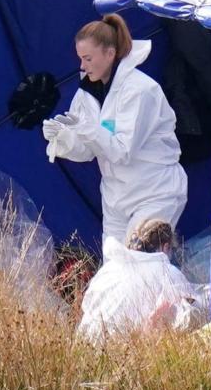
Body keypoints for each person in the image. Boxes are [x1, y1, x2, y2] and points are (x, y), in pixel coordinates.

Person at [42, 14, 188, 247]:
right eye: (80, 59)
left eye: (88, 58)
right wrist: (64, 138)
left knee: (141, 263)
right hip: (115, 198)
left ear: (110, 54)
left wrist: (88, 129)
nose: (82, 66)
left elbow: (122, 151)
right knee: (113, 269)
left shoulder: (141, 90)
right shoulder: (86, 94)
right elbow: (88, 151)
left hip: (154, 192)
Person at [77, 219, 208, 344]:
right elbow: (194, 313)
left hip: (86, 344)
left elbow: (87, 305)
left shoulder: (109, 268)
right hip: (126, 351)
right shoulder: (167, 272)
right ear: (166, 247)